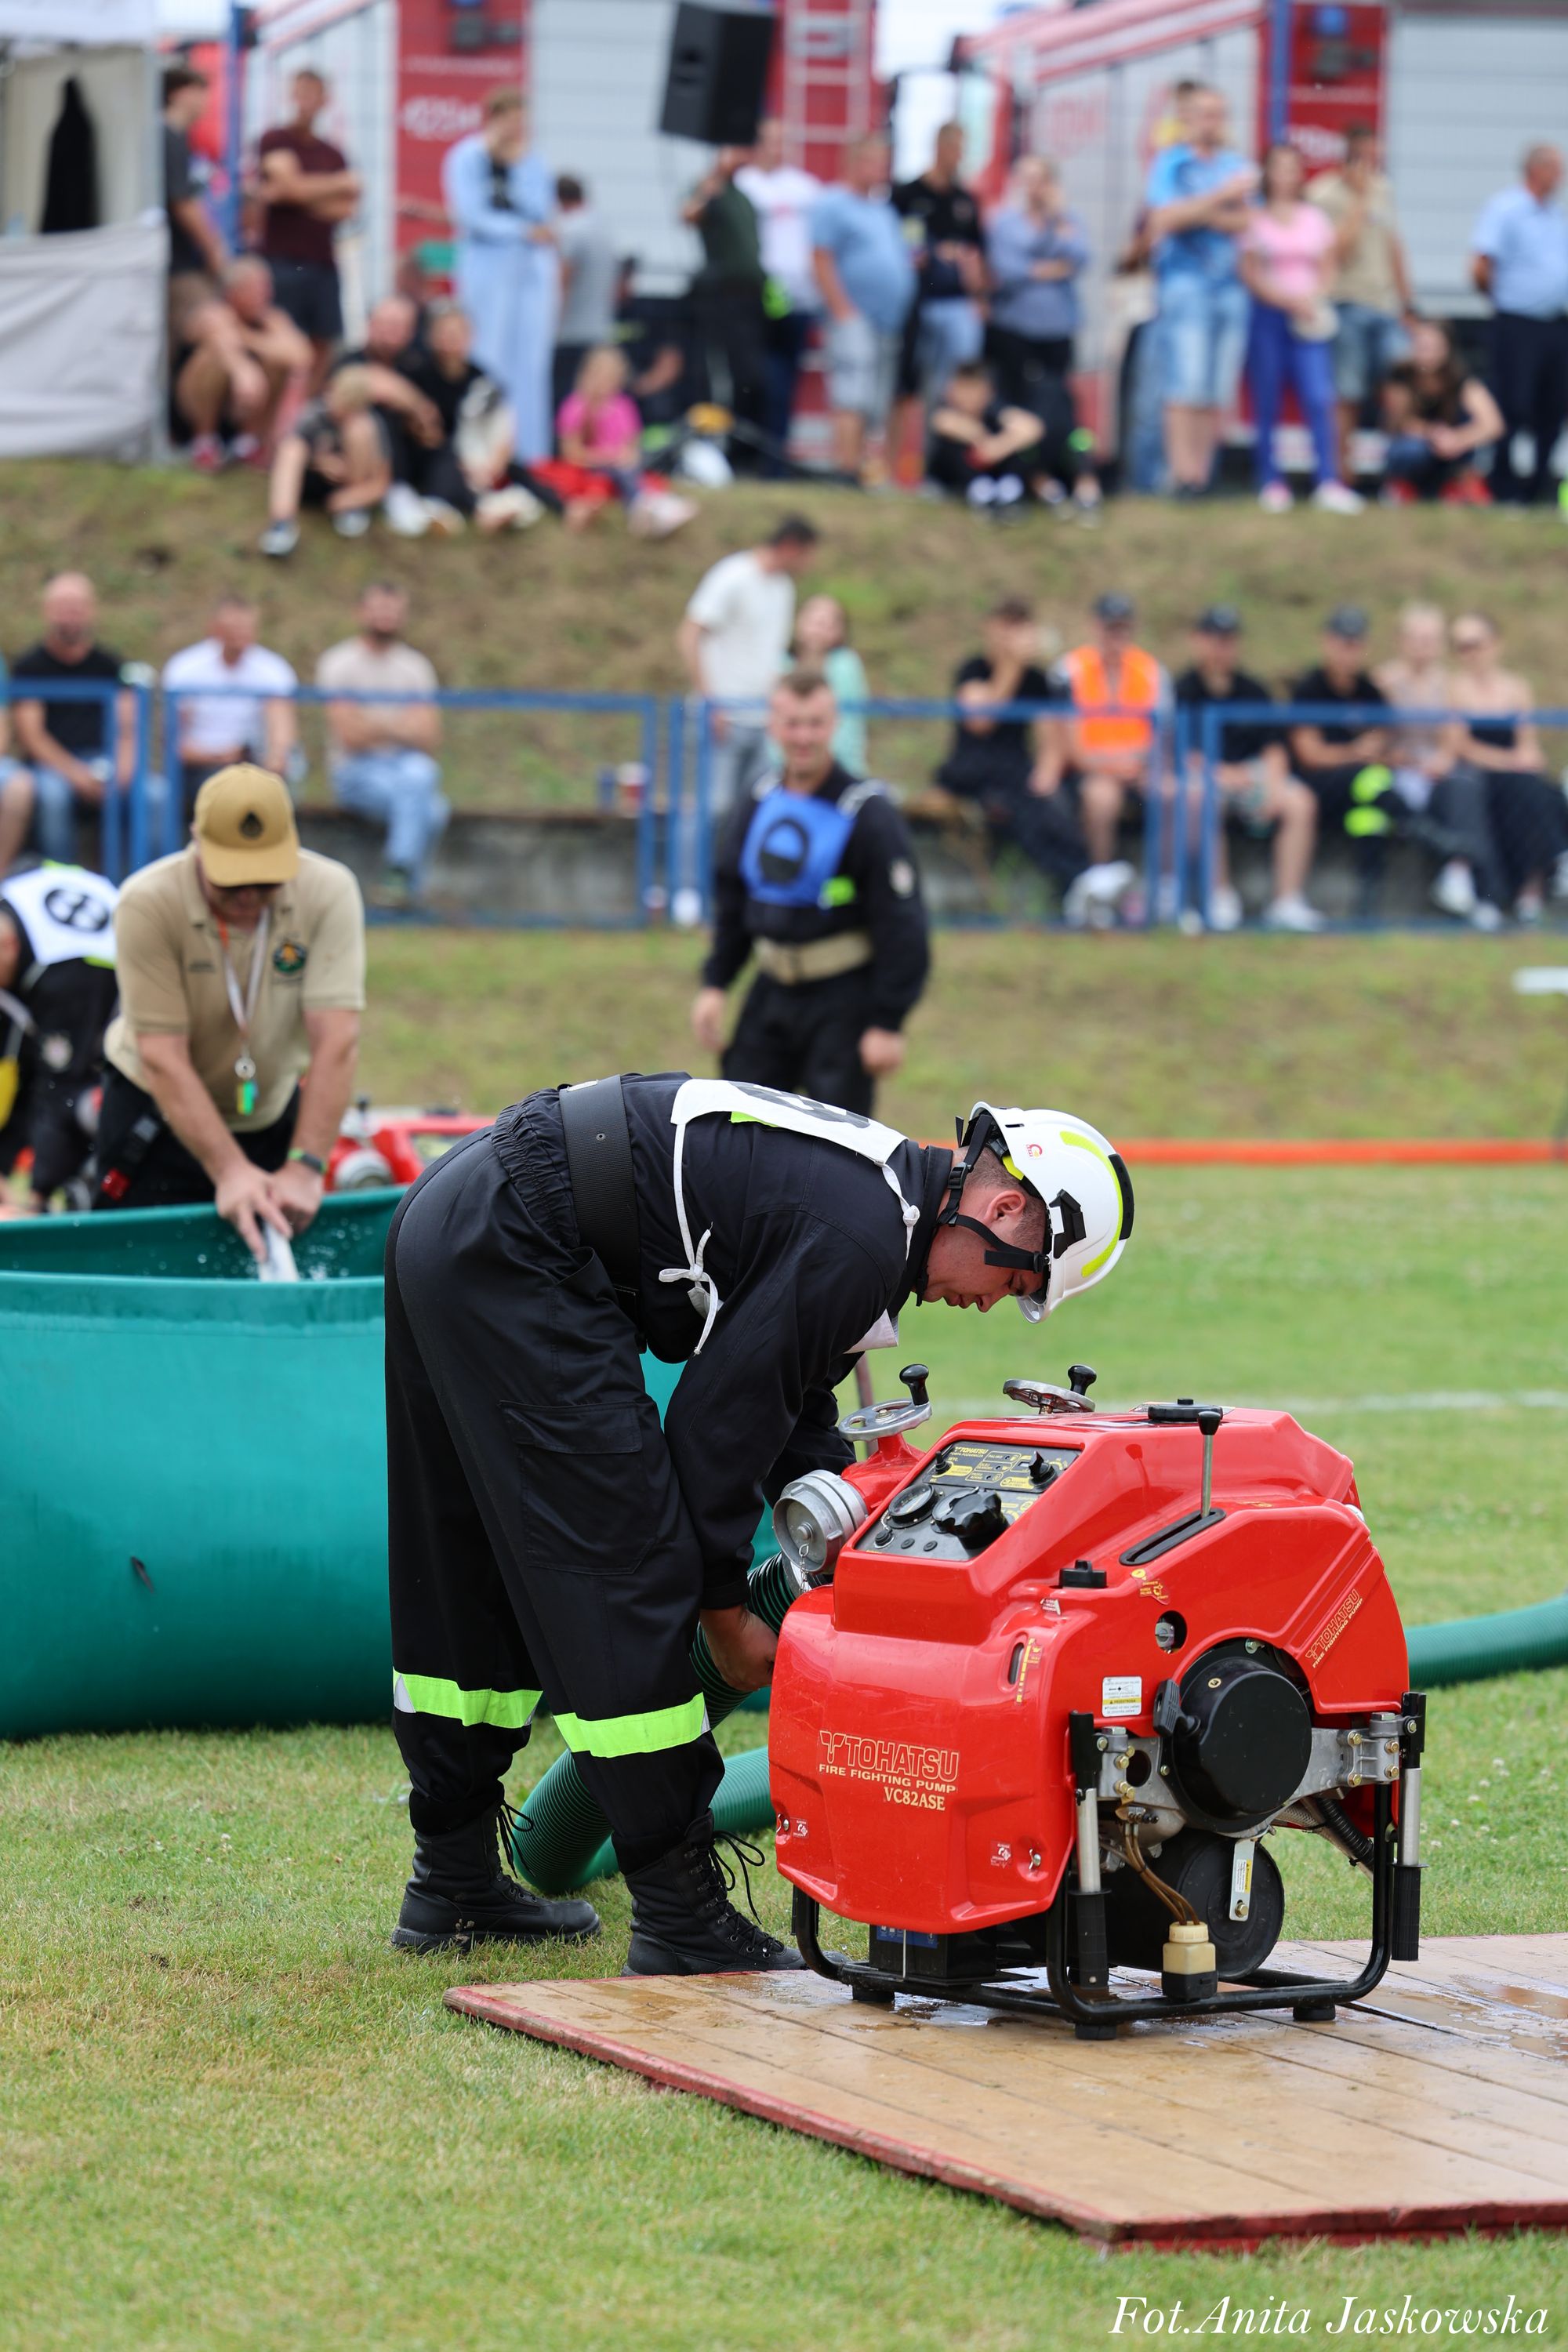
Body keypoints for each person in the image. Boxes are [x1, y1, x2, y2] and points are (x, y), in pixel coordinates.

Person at [384, 1073, 1133, 1963]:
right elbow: (713, 1432)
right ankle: (678, 1913)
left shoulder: (873, 1200)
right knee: (625, 1564)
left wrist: (855, 1537)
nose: (992, 1304)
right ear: (1005, 1208)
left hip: (457, 1212)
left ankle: (452, 1878)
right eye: (1019, 1282)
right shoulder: (858, 1240)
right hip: (523, 1242)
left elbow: (789, 1397)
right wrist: (723, 1614)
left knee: (463, 1559)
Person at [95, 766, 363, 1254]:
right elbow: (162, 1055)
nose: (247, 896)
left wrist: (306, 1165)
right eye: (231, 880)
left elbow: (337, 1040)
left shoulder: (329, 891)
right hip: (153, 1120)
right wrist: (229, 1169)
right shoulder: (147, 903)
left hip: (270, 1115)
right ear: (196, 841)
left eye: (265, 882)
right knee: (139, 1283)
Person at [691, 666, 927, 1117]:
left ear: (834, 725)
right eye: (792, 723)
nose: (803, 737)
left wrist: (887, 1022)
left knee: (837, 1154)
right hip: (769, 994)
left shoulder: (868, 813)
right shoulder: (759, 798)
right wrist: (715, 983)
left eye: (815, 723)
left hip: (842, 1004)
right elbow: (735, 900)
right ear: (774, 726)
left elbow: (903, 925)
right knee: (735, 1130)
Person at [935, 597, 1128, 926]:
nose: (1013, 633)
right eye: (1006, 624)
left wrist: (1048, 772)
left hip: (1015, 772)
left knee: (1048, 801)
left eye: (1020, 625)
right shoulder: (973, 669)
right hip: (972, 772)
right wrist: (1012, 664)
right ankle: (1082, 878)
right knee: (1020, 806)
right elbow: (981, 720)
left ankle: (1082, 881)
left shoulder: (1037, 680)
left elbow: (1051, 732)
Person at [1173, 605, 1323, 932]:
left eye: (1228, 639)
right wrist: (1223, 774)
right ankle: (1219, 896)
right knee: (1200, 796)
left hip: (1252, 776)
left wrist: (1272, 784)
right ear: (1198, 640)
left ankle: (1287, 901)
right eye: (1214, 639)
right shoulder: (1183, 690)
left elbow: (1273, 747)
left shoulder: (1253, 690)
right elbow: (1180, 752)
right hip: (1211, 777)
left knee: (1300, 802)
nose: (1221, 647)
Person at [1144, 86, 1257, 496]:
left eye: (1219, 113)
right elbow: (1165, 220)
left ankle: (1203, 477)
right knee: (1185, 383)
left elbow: (1244, 223)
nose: (1213, 122)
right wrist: (1220, 200)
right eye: (1205, 114)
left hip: (1230, 287)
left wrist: (1198, 212)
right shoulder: (1170, 163)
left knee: (1215, 389)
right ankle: (1182, 475)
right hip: (1185, 285)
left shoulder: (1236, 163)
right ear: (1188, 118)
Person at [1241, 145, 1363, 514]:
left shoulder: (1314, 218)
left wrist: (1312, 298)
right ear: (1267, 172)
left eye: (1293, 168)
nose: (1286, 175)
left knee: (1318, 397)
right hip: (1269, 317)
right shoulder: (1254, 219)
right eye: (1279, 168)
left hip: (1309, 318)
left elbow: (1328, 266)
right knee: (1268, 400)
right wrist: (1284, 300)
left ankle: (1327, 481)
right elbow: (1250, 272)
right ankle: (1271, 482)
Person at [677, 516, 819, 821]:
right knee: (707, 811)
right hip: (722, 718)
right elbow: (690, 635)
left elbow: (770, 658)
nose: (809, 564)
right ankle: (690, 872)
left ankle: (732, 872)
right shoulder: (734, 575)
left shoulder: (784, 589)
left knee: (752, 813)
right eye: (807, 555)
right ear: (792, 547)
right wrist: (709, 702)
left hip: (763, 719)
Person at [443, 89, 557, 466]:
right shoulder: (467, 156)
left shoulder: (532, 161)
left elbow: (540, 212)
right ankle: (483, 449)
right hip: (487, 269)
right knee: (487, 355)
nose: (515, 128)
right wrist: (520, 231)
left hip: (528, 272)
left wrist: (517, 166)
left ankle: (529, 452)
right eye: (508, 119)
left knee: (529, 361)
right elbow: (472, 215)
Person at [316, 586, 448, 909]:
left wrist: (372, 723)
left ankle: (397, 883)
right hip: (355, 772)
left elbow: (429, 737)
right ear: (360, 612)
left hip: (404, 767)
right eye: (379, 609)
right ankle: (406, 890)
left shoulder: (415, 667)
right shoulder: (339, 662)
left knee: (422, 774)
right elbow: (350, 736)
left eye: (393, 610)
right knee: (430, 810)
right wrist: (401, 727)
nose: (386, 617)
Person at [1375, 602, 1505, 928]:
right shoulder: (1383, 681)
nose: (1423, 647)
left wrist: (1442, 761)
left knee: (1467, 785)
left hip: (1435, 773)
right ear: (1401, 640)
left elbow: (1453, 734)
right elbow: (1376, 741)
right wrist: (1402, 761)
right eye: (1417, 638)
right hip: (1396, 775)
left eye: (1430, 639)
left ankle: (1465, 879)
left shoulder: (1448, 684)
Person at [984, 156, 1100, 514]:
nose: (1034, 187)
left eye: (1041, 179)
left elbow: (1081, 258)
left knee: (1059, 405)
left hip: (1058, 329)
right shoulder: (1005, 223)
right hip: (1015, 329)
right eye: (1027, 179)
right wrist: (1053, 267)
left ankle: (1066, 475)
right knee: (1017, 407)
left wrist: (1060, 218)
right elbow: (1007, 270)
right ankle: (1021, 477)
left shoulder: (1068, 221)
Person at [0, 863, 118, 1212]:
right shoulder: (12, 901)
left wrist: (33, 1200)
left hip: (120, 1043)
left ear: (8, 947)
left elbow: (58, 1088)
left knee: (79, 1104)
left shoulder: (63, 978)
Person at [1442, 612, 1568, 923]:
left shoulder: (1516, 688)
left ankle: (1533, 889)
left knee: (1539, 792)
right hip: (1478, 774)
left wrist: (1525, 758)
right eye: (1461, 646)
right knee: (1522, 790)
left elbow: (1527, 742)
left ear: (1494, 643)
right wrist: (1510, 761)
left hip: (1513, 776)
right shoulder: (1455, 689)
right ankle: (1553, 864)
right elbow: (1460, 745)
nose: (1469, 653)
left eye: (1474, 644)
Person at [811, 134, 916, 483]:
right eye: (873, 161)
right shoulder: (833, 204)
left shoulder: (882, 210)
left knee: (876, 398)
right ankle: (845, 471)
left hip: (888, 321)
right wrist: (842, 310)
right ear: (854, 162)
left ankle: (869, 472)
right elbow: (821, 259)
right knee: (851, 392)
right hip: (854, 316)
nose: (880, 169)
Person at [1307, 125, 1413, 470]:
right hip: (1346, 303)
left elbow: (1393, 245)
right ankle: (1342, 477)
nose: (1374, 161)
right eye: (1367, 155)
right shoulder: (1322, 193)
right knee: (1347, 395)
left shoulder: (1384, 189)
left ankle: (1395, 469)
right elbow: (1337, 252)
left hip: (1384, 305)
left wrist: (1407, 302)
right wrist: (1359, 201)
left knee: (1403, 383)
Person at [11, 575, 136, 866]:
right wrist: (76, 774)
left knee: (152, 796)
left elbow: (127, 729)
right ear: (47, 611)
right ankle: (61, 881)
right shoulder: (29, 667)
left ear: (92, 610)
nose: (71, 615)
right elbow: (33, 736)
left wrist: (123, 773)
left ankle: (139, 883)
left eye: (78, 606)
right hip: (51, 766)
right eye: (63, 606)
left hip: (103, 762)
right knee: (54, 795)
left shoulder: (112, 666)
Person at [1471, 144, 1568, 507]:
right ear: (1535, 169)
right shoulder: (1506, 208)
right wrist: (1505, 301)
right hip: (1516, 323)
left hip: (1555, 325)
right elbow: (1481, 265)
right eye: (1555, 168)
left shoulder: (1554, 214)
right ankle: (1504, 485)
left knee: (1554, 405)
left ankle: (1540, 485)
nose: (1560, 176)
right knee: (1514, 403)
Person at [256, 67, 360, 391]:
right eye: (301, 92)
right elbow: (289, 188)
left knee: (323, 343)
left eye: (314, 93)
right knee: (284, 344)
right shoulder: (275, 139)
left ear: (325, 100)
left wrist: (295, 191)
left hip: (323, 262)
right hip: (282, 261)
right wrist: (333, 186)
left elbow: (345, 208)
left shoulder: (334, 153)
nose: (307, 101)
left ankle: (306, 413)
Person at [397, 301, 540, 535]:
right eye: (444, 333)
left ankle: (564, 506)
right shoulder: (418, 372)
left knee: (518, 469)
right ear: (431, 336)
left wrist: (492, 463)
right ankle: (481, 512)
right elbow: (416, 429)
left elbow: (502, 426)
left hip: (474, 455)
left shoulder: (482, 379)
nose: (450, 340)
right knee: (446, 463)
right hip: (434, 457)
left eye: (457, 333)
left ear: (470, 336)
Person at [1053, 593, 1167, 877]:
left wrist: (1143, 766)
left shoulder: (1151, 671)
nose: (1116, 635)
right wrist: (1111, 767)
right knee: (1101, 797)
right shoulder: (1069, 670)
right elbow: (1069, 741)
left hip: (1139, 771)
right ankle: (1099, 878)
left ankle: (1167, 882)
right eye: (1110, 627)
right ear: (1096, 627)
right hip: (1089, 770)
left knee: (1173, 792)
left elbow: (1163, 734)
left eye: (1122, 627)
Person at [162, 595, 299, 822]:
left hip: (254, 766)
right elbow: (175, 744)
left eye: (246, 628)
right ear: (214, 629)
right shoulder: (185, 668)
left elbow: (282, 730)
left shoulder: (272, 670)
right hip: (200, 769)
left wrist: (275, 761)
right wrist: (217, 756)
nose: (239, 636)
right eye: (232, 628)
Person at [891, 121, 985, 447]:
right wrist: (931, 252)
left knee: (955, 386)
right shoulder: (907, 194)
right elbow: (898, 245)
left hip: (955, 302)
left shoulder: (965, 200)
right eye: (954, 148)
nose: (958, 156)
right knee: (906, 384)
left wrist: (977, 287)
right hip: (915, 301)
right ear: (939, 148)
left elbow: (978, 252)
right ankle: (894, 468)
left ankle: (944, 463)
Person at [735, 120, 821, 474]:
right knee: (761, 377)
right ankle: (753, 456)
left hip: (799, 295)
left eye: (781, 140)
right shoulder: (744, 185)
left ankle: (776, 460)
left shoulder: (805, 187)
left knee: (786, 377)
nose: (776, 147)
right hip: (763, 291)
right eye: (770, 140)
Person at [173, 258, 311, 471]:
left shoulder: (272, 319)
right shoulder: (213, 313)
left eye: (266, 287)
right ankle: (204, 443)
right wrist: (243, 371)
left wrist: (249, 339)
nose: (265, 294)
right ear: (233, 292)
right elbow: (221, 339)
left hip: (244, 405)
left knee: (278, 363)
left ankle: (248, 444)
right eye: (256, 288)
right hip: (190, 410)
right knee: (213, 358)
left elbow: (302, 356)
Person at [681, 147, 768, 474]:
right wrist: (712, 182)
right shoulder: (710, 188)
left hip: (751, 299)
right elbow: (687, 215)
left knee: (752, 377)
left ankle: (746, 455)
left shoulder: (744, 196)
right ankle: (714, 454)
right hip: (722, 297)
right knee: (718, 376)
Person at [550, 346, 693, 537]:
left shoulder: (623, 406)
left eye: (611, 377)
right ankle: (642, 508)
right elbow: (572, 453)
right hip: (589, 468)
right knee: (622, 473)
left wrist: (624, 457)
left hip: (622, 467)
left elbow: (632, 447)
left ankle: (650, 507)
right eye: (600, 375)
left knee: (634, 469)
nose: (604, 382)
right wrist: (605, 457)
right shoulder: (576, 406)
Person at [328, 296, 440, 538]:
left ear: (410, 332)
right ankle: (360, 498)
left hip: (403, 462)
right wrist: (406, 398)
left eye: (399, 326)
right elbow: (339, 402)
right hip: (351, 457)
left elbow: (430, 423)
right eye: (385, 323)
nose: (391, 332)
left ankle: (394, 490)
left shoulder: (417, 365)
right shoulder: (348, 359)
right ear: (370, 324)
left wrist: (403, 398)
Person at [259, 365, 393, 557]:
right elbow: (287, 452)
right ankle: (282, 522)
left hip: (348, 488)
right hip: (312, 483)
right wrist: (320, 462)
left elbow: (382, 482)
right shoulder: (314, 413)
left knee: (359, 432)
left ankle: (352, 509)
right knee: (292, 448)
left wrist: (354, 497)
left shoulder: (370, 426)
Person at [1287, 607, 1392, 852]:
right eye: (1344, 643)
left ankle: (1370, 887)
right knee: (1370, 782)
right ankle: (1426, 831)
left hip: (1361, 788)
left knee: (1372, 810)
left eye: (1356, 644)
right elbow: (1310, 755)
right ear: (1327, 642)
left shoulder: (1370, 691)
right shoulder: (1310, 689)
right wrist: (1355, 752)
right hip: (1319, 783)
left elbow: (1381, 743)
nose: (1349, 652)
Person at [1381, 318, 1502, 504]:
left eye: (1431, 347)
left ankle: (1457, 487)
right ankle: (1403, 486)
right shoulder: (1401, 375)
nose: (1425, 353)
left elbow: (1493, 425)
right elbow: (1396, 422)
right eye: (1421, 345)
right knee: (1411, 450)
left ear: (1446, 349)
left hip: (1450, 451)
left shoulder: (1460, 380)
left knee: (1468, 439)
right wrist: (1432, 433)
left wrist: (1457, 440)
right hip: (1414, 447)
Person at [926, 358, 1050, 513]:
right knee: (958, 447)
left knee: (1025, 449)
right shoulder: (945, 412)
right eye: (963, 388)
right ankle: (981, 491)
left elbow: (1034, 428)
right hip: (954, 480)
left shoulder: (995, 414)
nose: (968, 396)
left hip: (994, 475)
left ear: (988, 392)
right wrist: (982, 440)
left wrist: (1000, 446)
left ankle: (1009, 491)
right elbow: (946, 423)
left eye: (973, 389)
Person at [163, 64, 226, 334]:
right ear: (177, 94)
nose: (205, 100)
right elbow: (183, 203)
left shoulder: (178, 139)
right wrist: (214, 248)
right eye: (199, 91)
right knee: (216, 330)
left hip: (180, 260)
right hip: (178, 264)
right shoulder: (169, 136)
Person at [552, 175, 619, 422]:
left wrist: (552, 324)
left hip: (569, 333)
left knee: (566, 403)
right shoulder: (601, 227)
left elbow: (563, 280)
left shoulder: (571, 229)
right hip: (598, 328)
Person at [791, 595, 868, 774]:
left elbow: (850, 723)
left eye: (827, 625)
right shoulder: (783, 663)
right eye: (814, 622)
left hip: (838, 766)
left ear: (839, 632)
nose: (818, 631)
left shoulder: (846, 666)